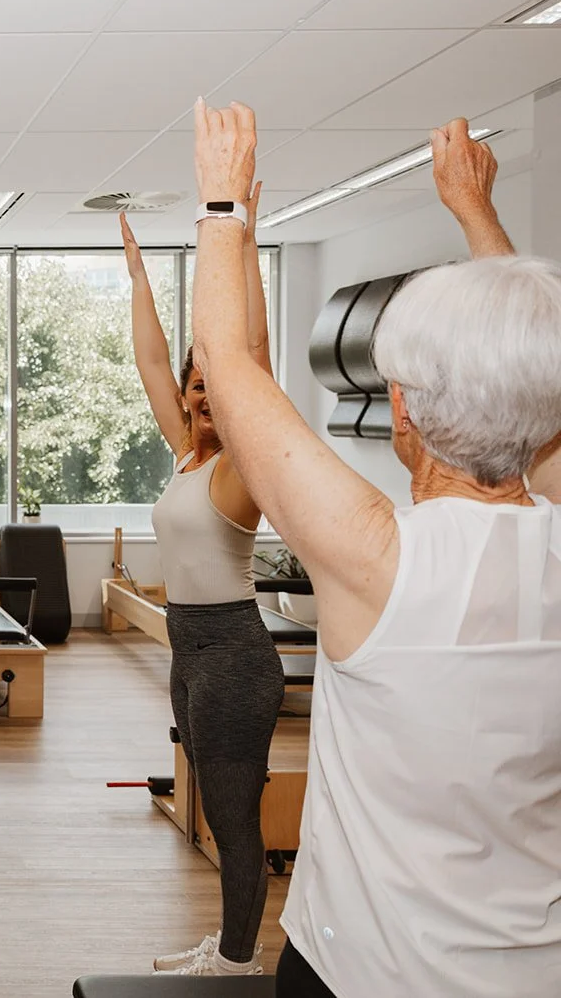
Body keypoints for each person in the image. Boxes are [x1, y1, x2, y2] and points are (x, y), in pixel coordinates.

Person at [189, 103, 561, 998]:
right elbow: (536, 363)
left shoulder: (380, 557)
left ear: (402, 412)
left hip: (363, 970)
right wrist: (475, 213)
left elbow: (229, 364)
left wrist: (221, 208)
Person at [123, 192, 282, 976]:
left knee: (232, 816)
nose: (202, 390)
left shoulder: (241, 466)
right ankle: (229, 945)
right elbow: (151, 359)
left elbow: (252, 353)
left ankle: (239, 960)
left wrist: (241, 242)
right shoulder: (186, 453)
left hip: (232, 653)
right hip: (189, 651)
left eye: (216, 383)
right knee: (217, 811)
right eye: (196, 382)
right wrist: (136, 272)